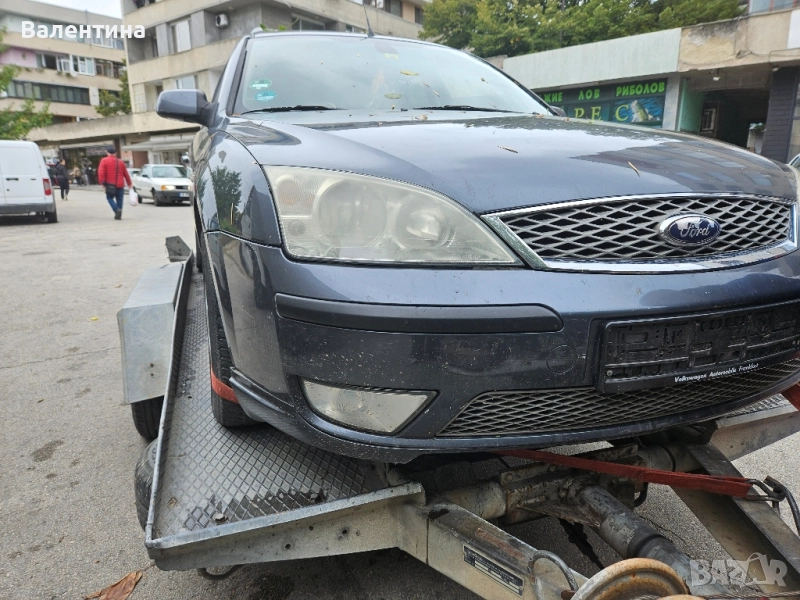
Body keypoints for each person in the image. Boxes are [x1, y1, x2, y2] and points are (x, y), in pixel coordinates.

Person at [97, 147, 131, 220]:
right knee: (120, 199)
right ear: (115, 153)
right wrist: (129, 183)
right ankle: (119, 214)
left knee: (109, 198)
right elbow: (126, 174)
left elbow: (101, 172)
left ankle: (116, 209)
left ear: (107, 153)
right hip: (120, 184)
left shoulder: (104, 160)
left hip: (110, 184)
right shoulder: (120, 162)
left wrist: (102, 182)